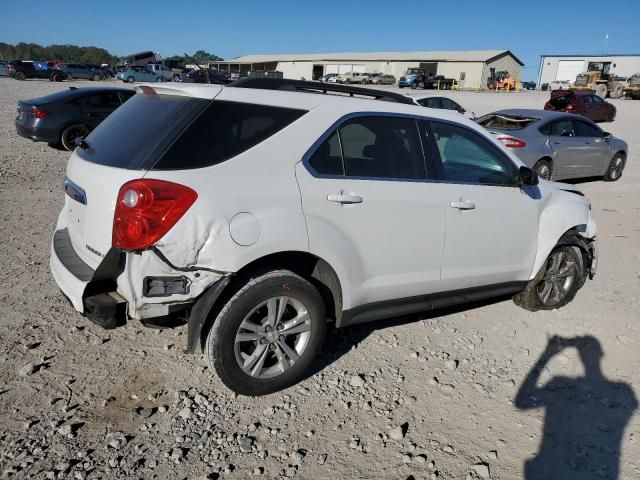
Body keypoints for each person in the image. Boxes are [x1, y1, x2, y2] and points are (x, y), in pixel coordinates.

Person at [515, 336, 637, 479]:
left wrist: (547, 354)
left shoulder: (558, 383)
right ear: (601, 356)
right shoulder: (624, 392)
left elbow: (522, 402)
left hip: (549, 468)